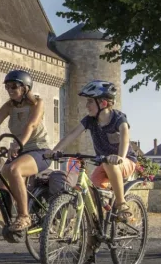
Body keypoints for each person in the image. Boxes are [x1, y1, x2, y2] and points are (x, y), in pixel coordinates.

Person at [0, 70, 52, 234]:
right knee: (1, 185)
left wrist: (19, 143)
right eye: (7, 87)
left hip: (39, 150)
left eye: (14, 86)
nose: (10, 90)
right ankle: (10, 225)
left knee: (14, 169)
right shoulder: (9, 106)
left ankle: (24, 216)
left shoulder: (37, 103)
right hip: (20, 151)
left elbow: (32, 125)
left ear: (26, 88)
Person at [52, 80, 138, 222]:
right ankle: (95, 231)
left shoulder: (118, 119)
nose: (87, 106)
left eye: (90, 102)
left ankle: (122, 204)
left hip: (125, 162)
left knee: (111, 164)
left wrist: (120, 157)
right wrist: (55, 150)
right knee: (91, 193)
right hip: (104, 164)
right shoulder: (90, 120)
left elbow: (125, 139)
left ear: (103, 103)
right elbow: (72, 134)